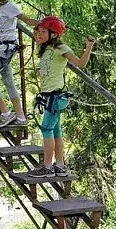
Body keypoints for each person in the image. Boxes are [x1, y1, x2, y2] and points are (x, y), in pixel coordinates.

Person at [27, 16, 96, 178]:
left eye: (44, 32)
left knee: (46, 128)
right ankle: (60, 165)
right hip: (51, 96)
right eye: (40, 32)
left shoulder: (61, 48)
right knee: (56, 131)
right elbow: (35, 32)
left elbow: (80, 64)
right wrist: (39, 26)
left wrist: (88, 47)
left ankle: (48, 167)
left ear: (54, 34)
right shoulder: (44, 47)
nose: (40, 34)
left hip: (56, 97)